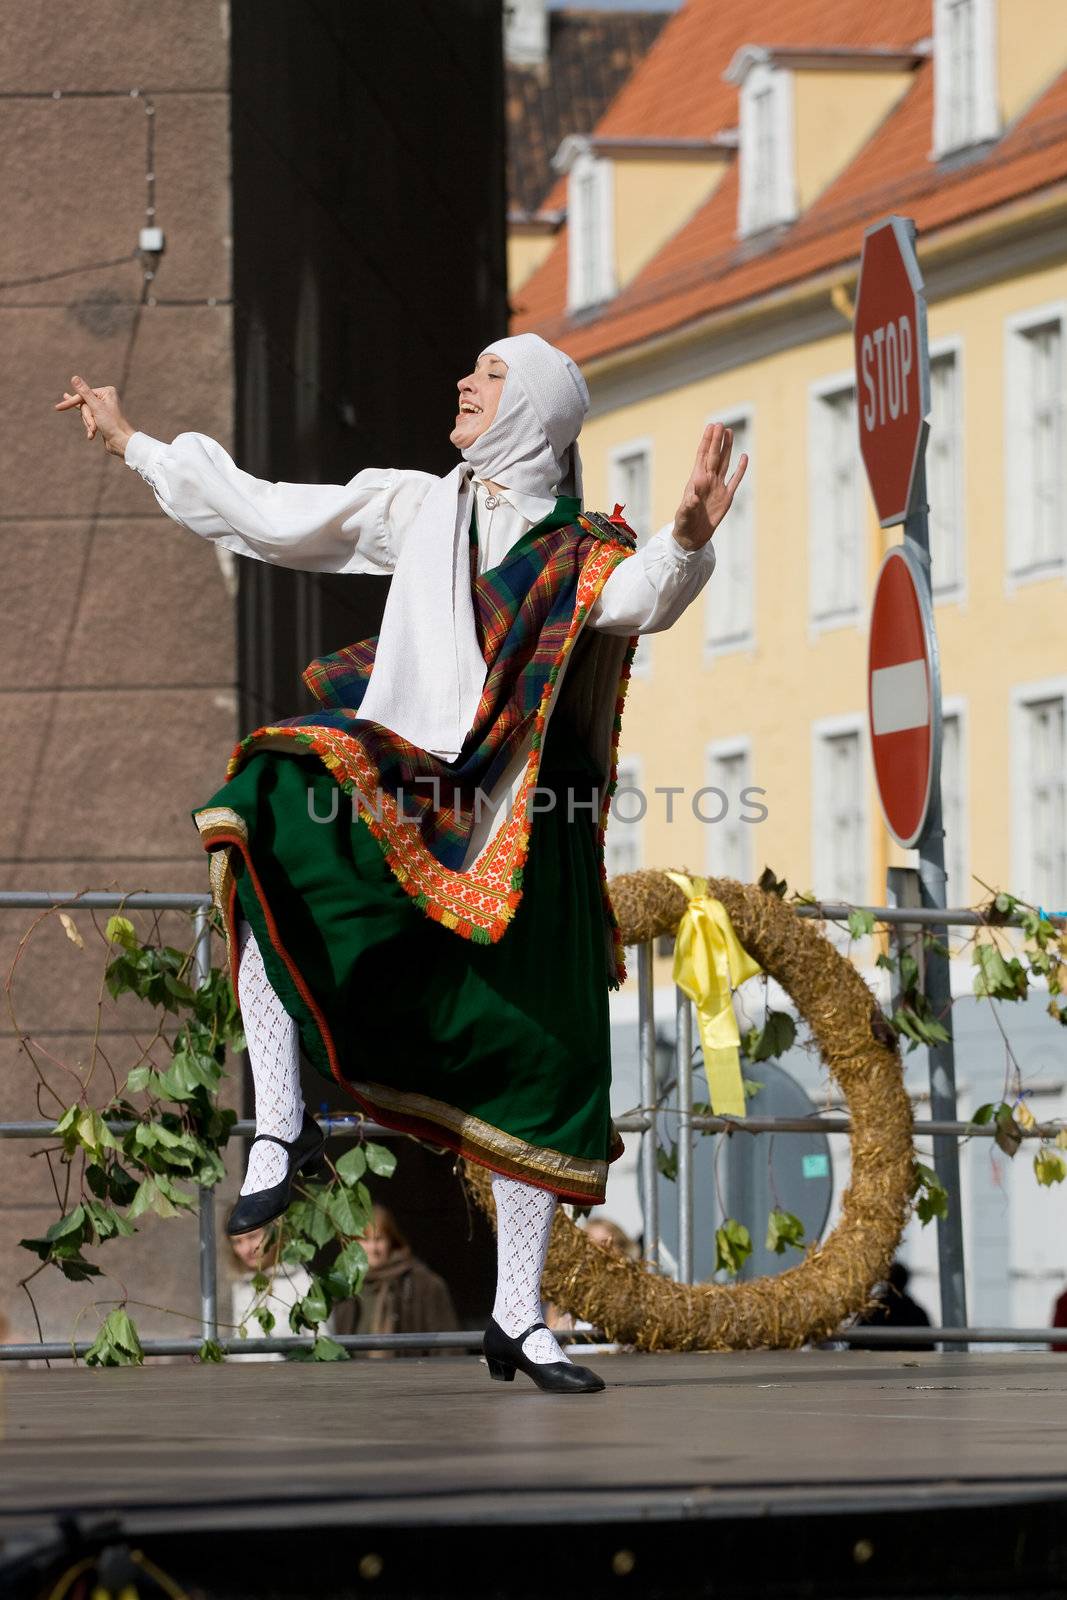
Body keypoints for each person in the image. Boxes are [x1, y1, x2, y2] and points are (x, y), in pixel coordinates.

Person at [55, 336, 747, 1394]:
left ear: (538, 413)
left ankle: (519, 1318)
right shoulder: (421, 506)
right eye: (467, 368)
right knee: (269, 812)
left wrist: (688, 539)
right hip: (414, 784)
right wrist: (135, 443)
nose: (463, 383)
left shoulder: (582, 550)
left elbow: (638, 599)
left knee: (536, 1057)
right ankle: (278, 1126)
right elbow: (266, 513)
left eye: (490, 376)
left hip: (526, 821)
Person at [332, 1204, 459, 1356]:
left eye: (379, 1239)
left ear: (391, 1241)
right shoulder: (344, 1286)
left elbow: (449, 1349)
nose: (373, 1249)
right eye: (365, 1239)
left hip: (409, 1377)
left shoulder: (424, 1284)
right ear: (352, 1243)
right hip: (351, 1377)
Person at [227, 1222, 334, 1360]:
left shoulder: (304, 1283)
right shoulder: (241, 1286)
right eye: (237, 1242)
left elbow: (324, 1348)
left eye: (252, 1237)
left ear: (274, 1233)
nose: (245, 1249)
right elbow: (241, 1353)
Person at [849, 1260, 936, 1352]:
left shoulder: (872, 1313)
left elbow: (855, 1346)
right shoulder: (917, 1313)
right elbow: (929, 1348)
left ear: (885, 1281)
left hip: (876, 1364)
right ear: (906, 1281)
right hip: (911, 1364)